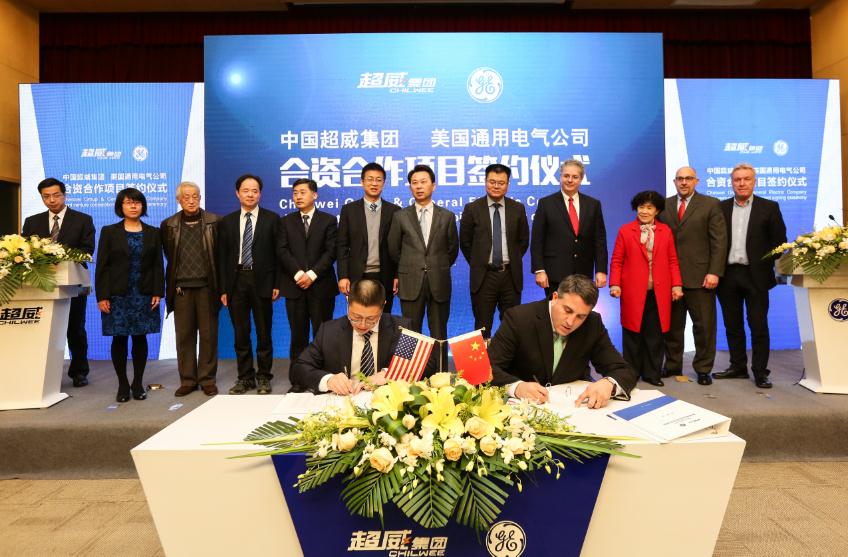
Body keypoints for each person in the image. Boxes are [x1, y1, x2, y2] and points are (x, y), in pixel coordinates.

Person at [489, 274, 637, 409]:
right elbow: (489, 368)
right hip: (521, 409)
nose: (570, 322)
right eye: (567, 310)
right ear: (555, 297)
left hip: (574, 409)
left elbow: (624, 370)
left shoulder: (593, 323)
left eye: (581, 316)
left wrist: (609, 384)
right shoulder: (519, 318)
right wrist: (517, 387)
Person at [714, 163, 787, 389]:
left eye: (746, 179)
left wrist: (764, 264)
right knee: (732, 325)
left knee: (758, 325)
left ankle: (760, 371)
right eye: (737, 179)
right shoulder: (720, 208)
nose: (742, 183)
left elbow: (779, 244)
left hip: (756, 276)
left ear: (755, 182)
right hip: (727, 275)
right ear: (731, 183)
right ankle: (738, 367)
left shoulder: (769, 207)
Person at [22, 177, 95, 387]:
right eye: (46, 196)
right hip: (41, 285)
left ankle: (79, 372)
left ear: (64, 195)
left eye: (56, 195)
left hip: (73, 283)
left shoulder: (82, 219)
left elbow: (87, 250)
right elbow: (25, 251)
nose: (52, 200)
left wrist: (59, 256)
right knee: (42, 330)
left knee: (75, 328)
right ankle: (39, 372)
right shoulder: (32, 221)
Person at [658, 166, 727, 385]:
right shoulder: (664, 205)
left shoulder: (710, 204)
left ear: (696, 181)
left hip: (701, 277)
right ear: (674, 182)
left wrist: (714, 271)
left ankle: (703, 369)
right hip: (671, 279)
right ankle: (672, 365)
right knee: (672, 327)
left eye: (688, 178)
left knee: (704, 327)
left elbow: (719, 241)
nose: (684, 182)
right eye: (680, 179)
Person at [95, 188, 164, 403]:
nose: (133, 206)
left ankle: (137, 383)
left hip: (144, 293)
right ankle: (123, 384)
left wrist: (157, 291)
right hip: (117, 295)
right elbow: (102, 266)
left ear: (143, 206)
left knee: (140, 338)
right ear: (120, 206)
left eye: (137, 202)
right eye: (128, 202)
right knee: (119, 339)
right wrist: (102, 296)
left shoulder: (153, 232)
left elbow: (157, 265)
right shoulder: (109, 231)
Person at [387, 164, 458, 370]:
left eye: (423, 182)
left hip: (439, 281)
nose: (419, 186)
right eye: (414, 183)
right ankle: (409, 375)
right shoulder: (400, 216)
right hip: (410, 281)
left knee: (439, 332)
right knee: (409, 332)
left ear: (433, 186)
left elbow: (452, 249)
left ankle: (441, 374)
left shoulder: (447, 216)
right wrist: (410, 267)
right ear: (410, 187)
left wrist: (436, 266)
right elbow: (394, 249)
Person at [609, 191, 683, 387]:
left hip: (659, 293)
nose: (645, 211)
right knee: (632, 334)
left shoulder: (665, 231)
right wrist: (615, 283)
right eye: (641, 207)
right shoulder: (626, 230)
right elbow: (617, 260)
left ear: (657, 211)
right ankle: (631, 373)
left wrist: (676, 284)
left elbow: (672, 260)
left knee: (655, 335)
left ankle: (652, 373)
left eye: (649, 208)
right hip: (633, 292)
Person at [290, 279, 411, 395]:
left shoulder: (402, 329)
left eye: (371, 319)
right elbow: (298, 369)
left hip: (386, 400)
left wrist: (389, 374)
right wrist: (328, 380)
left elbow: (421, 367)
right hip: (343, 400)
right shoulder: (329, 331)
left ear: (383, 306)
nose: (362, 325)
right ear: (348, 302)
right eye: (356, 317)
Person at [217, 174, 280, 395]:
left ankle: (263, 377)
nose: (250, 194)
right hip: (236, 282)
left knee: (264, 332)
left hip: (262, 281)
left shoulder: (272, 219)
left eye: (255, 191)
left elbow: (278, 254)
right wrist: (224, 288)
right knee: (240, 334)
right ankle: (245, 377)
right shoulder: (227, 222)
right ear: (237, 193)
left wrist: (276, 283)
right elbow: (222, 257)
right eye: (246, 190)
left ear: (260, 194)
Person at [160, 182, 221, 397]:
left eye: (195, 196)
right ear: (178, 200)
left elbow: (220, 256)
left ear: (200, 198)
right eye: (186, 197)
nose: (191, 200)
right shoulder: (168, 225)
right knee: (184, 336)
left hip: (207, 287)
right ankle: (187, 380)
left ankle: (207, 379)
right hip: (181, 289)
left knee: (208, 335)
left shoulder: (215, 221)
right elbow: (169, 255)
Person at [459, 163, 530, 338]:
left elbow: (523, 242)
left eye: (501, 182)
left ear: (507, 184)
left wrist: (509, 260)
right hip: (484, 277)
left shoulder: (518, 208)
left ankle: (507, 357)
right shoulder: (472, 209)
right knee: (482, 327)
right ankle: (483, 357)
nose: (496, 186)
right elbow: (466, 243)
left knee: (512, 325)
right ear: (485, 182)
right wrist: (480, 262)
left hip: (510, 276)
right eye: (492, 182)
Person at [278, 178, 338, 363]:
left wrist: (312, 275)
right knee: (298, 335)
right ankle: (298, 373)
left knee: (322, 334)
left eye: (302, 192)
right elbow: (282, 250)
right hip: (294, 287)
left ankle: (322, 373)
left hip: (321, 286)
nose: (298, 196)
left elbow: (331, 251)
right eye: (295, 193)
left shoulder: (328, 220)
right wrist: (298, 274)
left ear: (315, 195)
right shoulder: (285, 221)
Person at [530, 159, 608, 298]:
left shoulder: (593, 205)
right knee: (555, 309)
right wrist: (539, 270)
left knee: (581, 310)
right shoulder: (546, 203)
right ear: (560, 177)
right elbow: (537, 240)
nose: (570, 180)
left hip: (583, 273)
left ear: (581, 179)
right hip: (554, 274)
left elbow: (599, 240)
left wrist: (601, 270)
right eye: (566, 176)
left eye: (575, 177)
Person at [337, 162, 401, 311]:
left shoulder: (395, 211)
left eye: (378, 180)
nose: (374, 183)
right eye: (370, 179)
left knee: (384, 317)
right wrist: (343, 276)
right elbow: (342, 246)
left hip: (385, 276)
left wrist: (397, 275)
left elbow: (399, 247)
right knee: (358, 317)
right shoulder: (349, 210)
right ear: (362, 182)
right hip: (357, 275)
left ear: (384, 183)